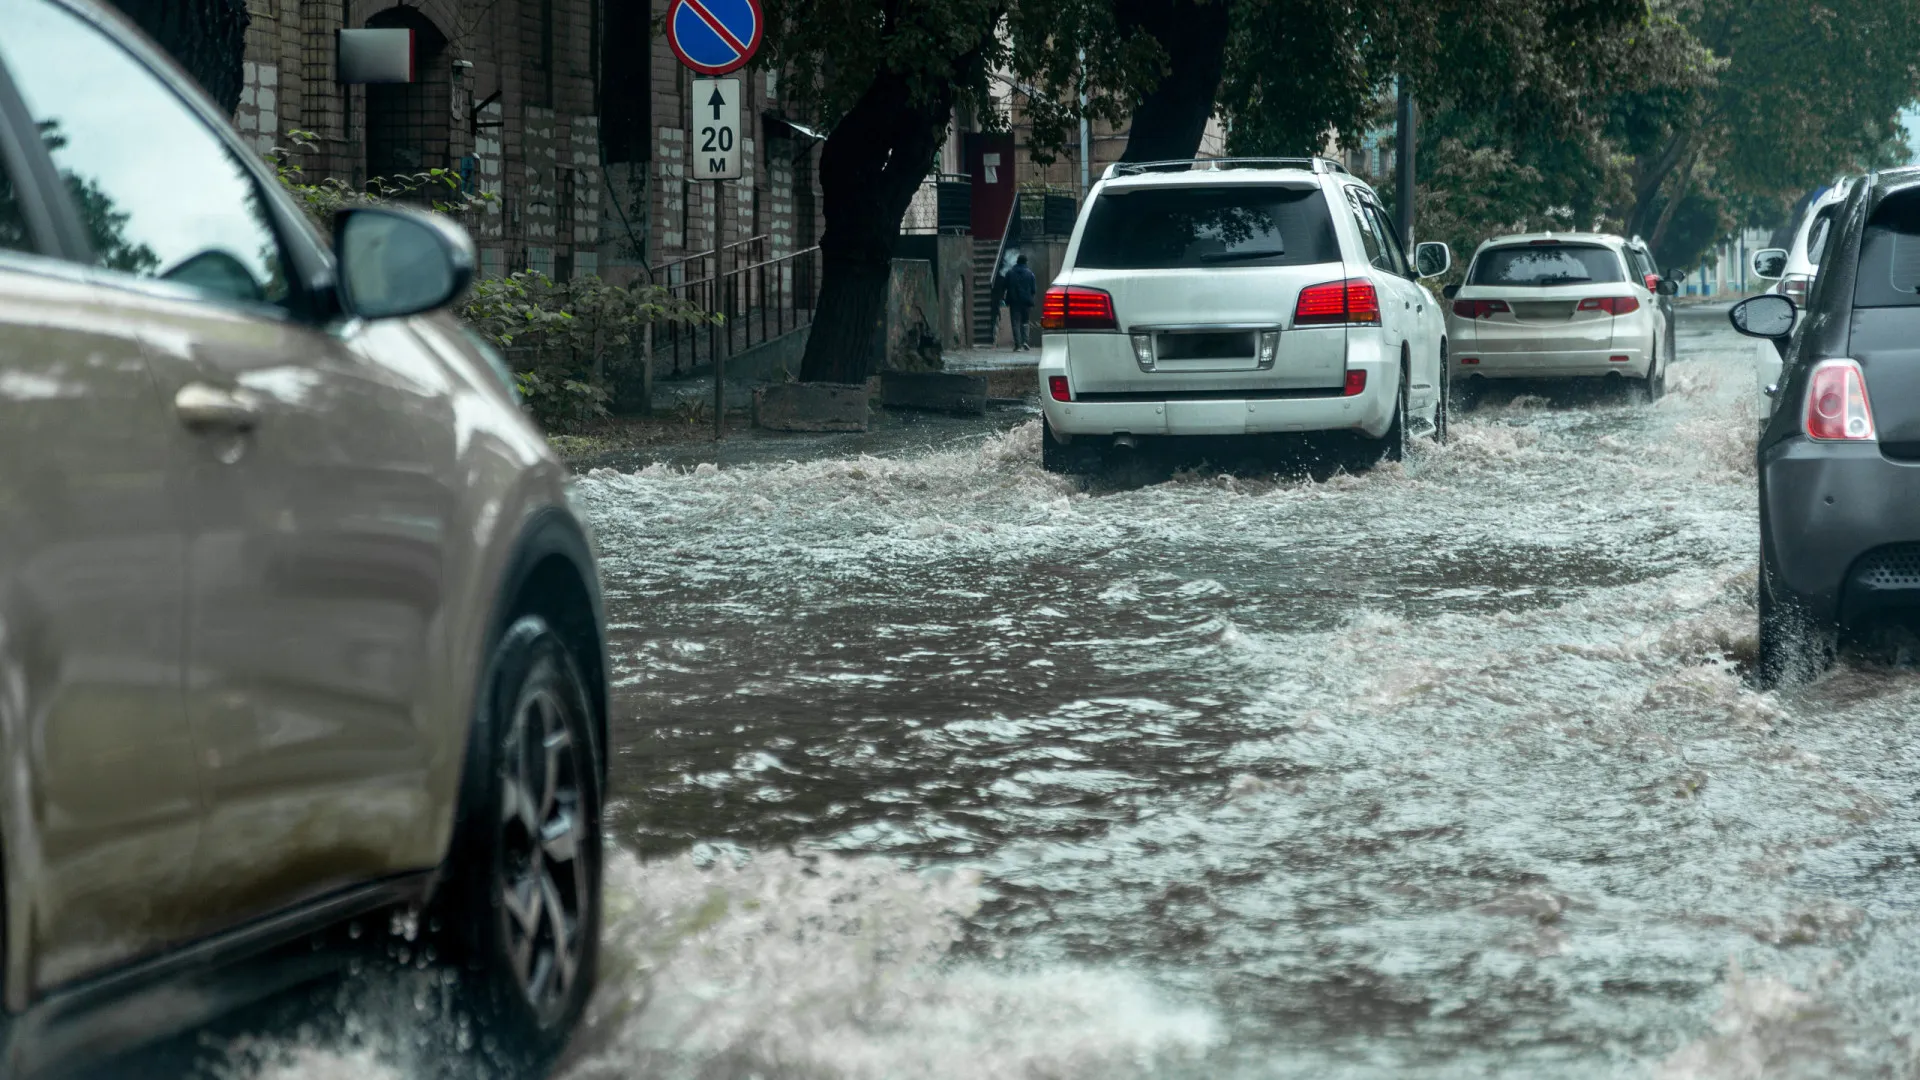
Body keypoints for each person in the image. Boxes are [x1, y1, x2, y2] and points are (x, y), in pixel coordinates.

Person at [1005, 253, 1037, 352]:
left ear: (1017, 261)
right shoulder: (1030, 273)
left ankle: (1017, 345)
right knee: (1025, 322)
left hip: (1014, 301)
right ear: (1026, 262)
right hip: (1026, 302)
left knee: (1015, 323)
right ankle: (1025, 342)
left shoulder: (1010, 273)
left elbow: (1005, 286)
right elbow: (1033, 290)